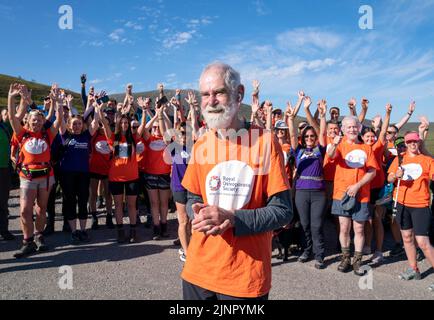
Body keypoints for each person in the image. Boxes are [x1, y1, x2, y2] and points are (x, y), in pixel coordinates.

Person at [181, 62, 292, 300]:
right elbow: (192, 198)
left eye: (219, 92)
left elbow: (282, 211)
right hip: (197, 273)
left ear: (238, 93)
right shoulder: (201, 144)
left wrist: (232, 219)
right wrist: (197, 213)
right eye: (205, 94)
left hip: (244, 279)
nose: (211, 101)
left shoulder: (264, 143)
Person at [8, 83, 63, 258]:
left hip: (46, 176)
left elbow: (59, 120)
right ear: (28, 121)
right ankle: (27, 241)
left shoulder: (48, 134)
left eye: (39, 120)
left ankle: (39, 237)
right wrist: (11, 98)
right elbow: (12, 118)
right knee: (25, 210)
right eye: (34, 119)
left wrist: (58, 104)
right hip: (27, 177)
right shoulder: (21, 133)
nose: (37, 122)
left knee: (41, 209)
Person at [328, 115, 378, 275]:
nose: (352, 129)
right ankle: (345, 258)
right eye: (348, 127)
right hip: (341, 194)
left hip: (361, 194)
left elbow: (372, 171)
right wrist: (334, 144)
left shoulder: (366, 148)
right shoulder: (339, 145)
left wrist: (357, 186)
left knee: (359, 228)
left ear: (359, 128)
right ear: (343, 129)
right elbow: (330, 156)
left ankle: (357, 260)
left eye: (355, 126)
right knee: (343, 227)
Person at [387, 131, 434, 291]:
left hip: (420, 205)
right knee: (407, 237)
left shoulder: (427, 160)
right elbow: (389, 179)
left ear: (419, 143)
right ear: (405, 144)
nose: (413, 144)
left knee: (423, 242)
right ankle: (414, 269)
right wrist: (395, 175)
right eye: (410, 142)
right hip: (401, 202)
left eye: (416, 141)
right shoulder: (400, 159)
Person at [288, 99, 327, 269]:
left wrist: (323, 116)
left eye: (312, 136)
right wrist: (290, 119)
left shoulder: (320, 150)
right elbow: (291, 136)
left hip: (318, 193)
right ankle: (307, 250)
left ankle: (320, 255)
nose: (310, 138)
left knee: (316, 225)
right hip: (301, 192)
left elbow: (323, 133)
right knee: (304, 224)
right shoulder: (299, 151)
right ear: (303, 138)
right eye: (307, 136)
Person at [98, 106, 144, 243]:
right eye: (122, 123)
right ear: (118, 124)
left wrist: (145, 110)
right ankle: (120, 231)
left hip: (132, 177)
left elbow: (142, 126)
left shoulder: (134, 138)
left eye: (126, 123)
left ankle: (133, 231)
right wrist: (100, 110)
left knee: (131, 205)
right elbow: (104, 123)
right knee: (118, 205)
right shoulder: (113, 137)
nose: (124, 125)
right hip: (116, 177)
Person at [58, 95, 99, 244]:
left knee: (82, 201)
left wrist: (97, 106)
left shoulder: (87, 136)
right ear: (70, 125)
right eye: (74, 124)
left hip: (83, 174)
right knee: (70, 202)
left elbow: (95, 122)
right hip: (67, 174)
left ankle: (82, 230)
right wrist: (60, 103)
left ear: (82, 125)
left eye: (79, 124)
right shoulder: (64, 135)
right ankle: (74, 231)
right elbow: (60, 120)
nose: (76, 126)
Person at [361, 104, 391, 264]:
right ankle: (367, 245)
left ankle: (378, 250)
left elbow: (384, 132)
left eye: (372, 136)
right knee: (367, 219)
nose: (370, 139)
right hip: (365, 189)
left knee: (377, 218)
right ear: (362, 138)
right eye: (367, 137)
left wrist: (387, 114)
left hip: (380, 189)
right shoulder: (360, 149)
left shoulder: (378, 147)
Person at [142, 99, 172, 240]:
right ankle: (156, 227)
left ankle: (164, 225)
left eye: (157, 127)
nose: (155, 129)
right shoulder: (149, 138)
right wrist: (153, 115)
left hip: (165, 174)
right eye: (154, 128)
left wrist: (161, 114)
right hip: (150, 175)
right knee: (154, 203)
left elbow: (169, 126)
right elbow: (144, 129)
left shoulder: (166, 138)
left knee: (164, 203)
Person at [0, 109, 15, 241]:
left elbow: (17, 116)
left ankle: (4, 230)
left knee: (3, 201)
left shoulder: (5, 127)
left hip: (4, 169)